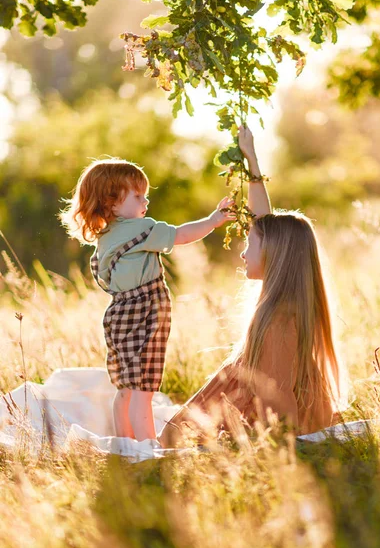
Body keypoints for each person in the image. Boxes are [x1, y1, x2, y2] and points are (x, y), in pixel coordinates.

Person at [159, 125, 348, 447]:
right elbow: (266, 225)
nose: (243, 253)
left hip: (257, 417)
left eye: (251, 244)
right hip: (246, 400)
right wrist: (252, 161)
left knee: (169, 437)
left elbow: (279, 400)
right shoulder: (286, 296)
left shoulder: (279, 320)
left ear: (275, 255)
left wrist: (275, 445)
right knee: (170, 431)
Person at [59, 158, 234, 442]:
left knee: (126, 387)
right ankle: (148, 450)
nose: (146, 200)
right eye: (138, 195)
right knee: (144, 388)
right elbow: (181, 235)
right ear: (112, 203)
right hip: (145, 313)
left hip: (118, 314)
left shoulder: (106, 236)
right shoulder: (140, 229)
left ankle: (126, 443)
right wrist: (214, 221)